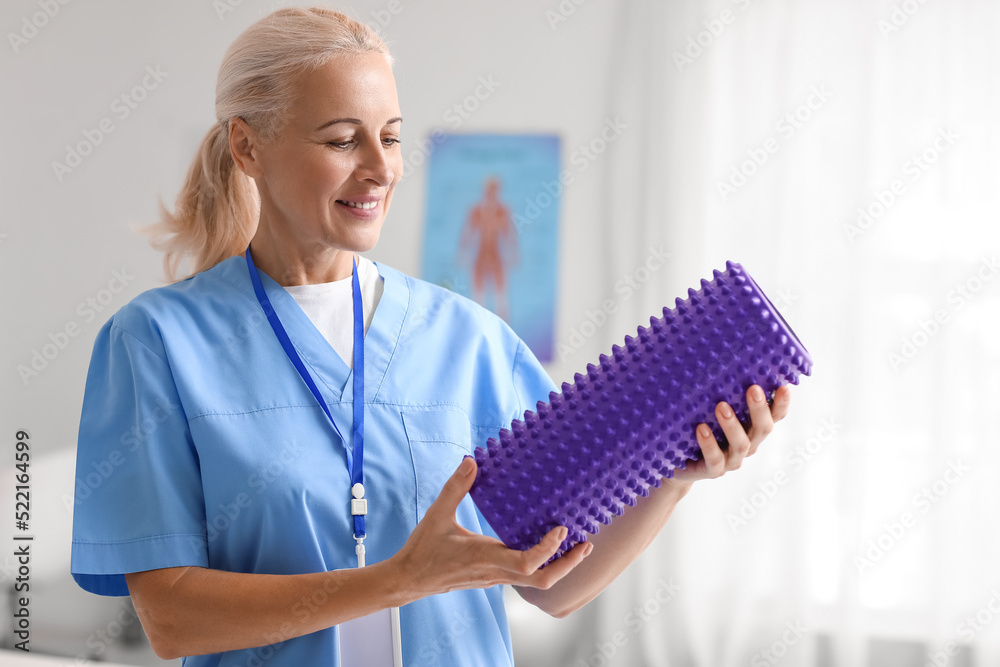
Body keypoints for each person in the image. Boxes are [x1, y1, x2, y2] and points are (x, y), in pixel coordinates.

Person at [69, 7, 792, 666]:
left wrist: (673, 477)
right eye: (342, 139)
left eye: (390, 137)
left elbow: (552, 586)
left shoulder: (469, 340)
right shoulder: (156, 344)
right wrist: (399, 580)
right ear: (248, 147)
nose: (380, 169)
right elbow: (171, 617)